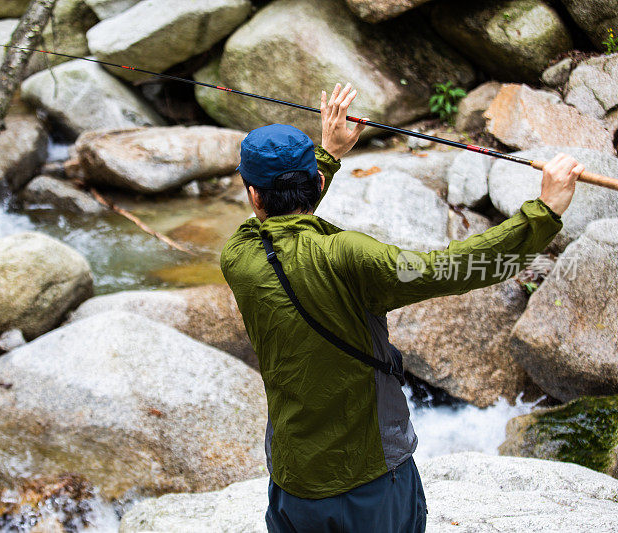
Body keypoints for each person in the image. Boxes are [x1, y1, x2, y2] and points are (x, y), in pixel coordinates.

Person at [220, 82, 584, 533]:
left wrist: (329, 154)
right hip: (373, 477)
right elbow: (454, 269)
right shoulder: (350, 256)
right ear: (314, 183)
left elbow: (285, 219)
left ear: (253, 194)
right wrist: (544, 211)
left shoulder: (238, 255)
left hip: (293, 482)